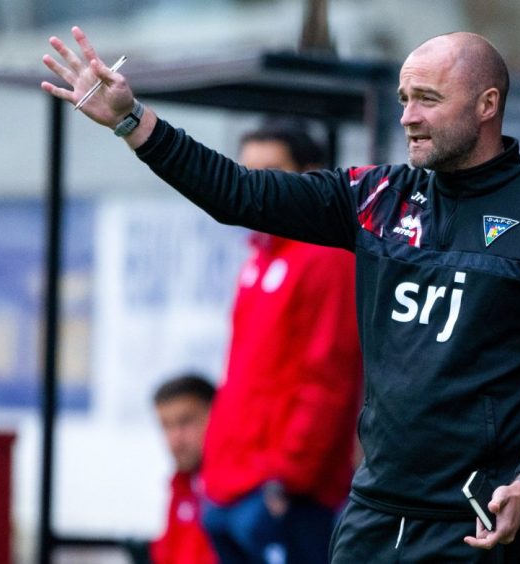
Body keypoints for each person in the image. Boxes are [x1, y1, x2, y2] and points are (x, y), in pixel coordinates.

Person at [42, 27, 520, 562]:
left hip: (478, 521)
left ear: (487, 104)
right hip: (372, 513)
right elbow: (238, 194)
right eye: (403, 98)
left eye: (428, 100)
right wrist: (134, 123)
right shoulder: (378, 196)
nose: (408, 117)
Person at [197, 122, 363, 563]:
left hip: (282, 495)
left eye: (271, 172)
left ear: (312, 174)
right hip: (229, 488)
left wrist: (285, 479)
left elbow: (329, 377)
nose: (257, 188)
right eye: (247, 173)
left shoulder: (327, 256)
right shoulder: (261, 253)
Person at [150, 373, 218, 564]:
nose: (175, 439)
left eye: (185, 422)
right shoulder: (182, 485)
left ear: (216, 415)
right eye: (166, 426)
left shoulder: (234, 490)